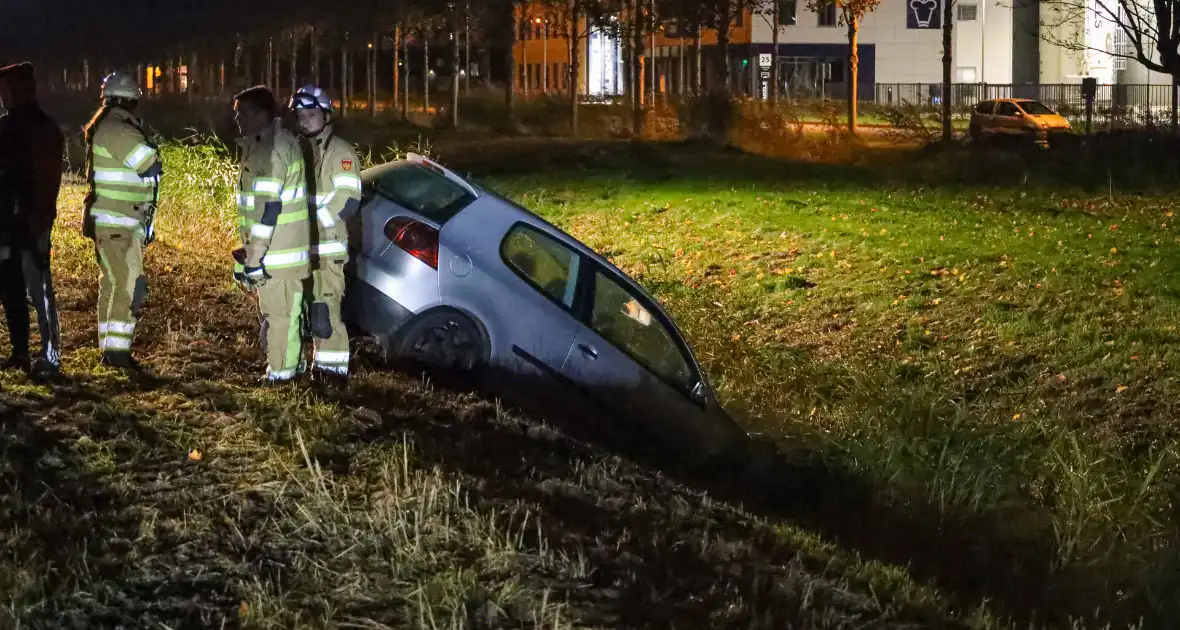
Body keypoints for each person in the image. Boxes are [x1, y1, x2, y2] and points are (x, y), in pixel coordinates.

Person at [81, 71, 162, 370]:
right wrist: (155, 152)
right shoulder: (118, 129)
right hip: (120, 222)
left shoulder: (108, 125)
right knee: (128, 285)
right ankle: (117, 353)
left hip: (111, 221)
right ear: (132, 100)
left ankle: (109, 348)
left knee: (112, 285)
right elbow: (149, 164)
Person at [232, 85, 311, 384]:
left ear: (259, 113)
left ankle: (280, 376)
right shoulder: (270, 144)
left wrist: (254, 257)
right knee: (283, 313)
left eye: (241, 113)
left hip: (278, 252)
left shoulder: (272, 148)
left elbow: (269, 209)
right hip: (277, 250)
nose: (237, 120)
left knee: (281, 316)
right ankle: (291, 366)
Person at [288, 84, 361, 386]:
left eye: (311, 113)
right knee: (301, 312)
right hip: (301, 247)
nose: (305, 120)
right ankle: (310, 367)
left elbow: (349, 200)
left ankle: (332, 374)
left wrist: (312, 222)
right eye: (300, 114)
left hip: (327, 248)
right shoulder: (298, 149)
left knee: (325, 313)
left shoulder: (339, 152)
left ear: (326, 115)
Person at [0, 62, 64, 378]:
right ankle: (20, 353)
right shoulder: (6, 126)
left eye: (6, 89)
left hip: (31, 222)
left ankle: (51, 357)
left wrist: (40, 219)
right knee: (11, 289)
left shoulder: (42, 129)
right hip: (7, 223)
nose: (2, 96)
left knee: (39, 292)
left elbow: (47, 179)